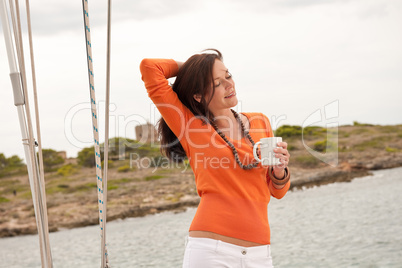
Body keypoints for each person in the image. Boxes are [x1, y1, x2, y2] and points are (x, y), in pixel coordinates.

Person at [140, 49, 290, 268]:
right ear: (198, 94)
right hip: (211, 250)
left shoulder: (261, 122)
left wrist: (280, 170)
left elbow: (277, 192)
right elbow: (150, 67)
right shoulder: (191, 127)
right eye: (217, 83)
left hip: (260, 253)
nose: (229, 85)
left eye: (228, 76)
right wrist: (194, 70)